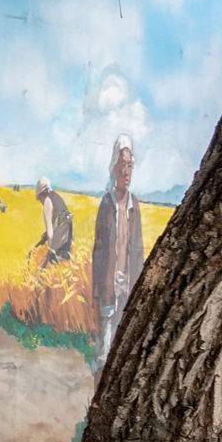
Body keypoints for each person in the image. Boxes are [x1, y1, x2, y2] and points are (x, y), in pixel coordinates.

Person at [90, 134, 144, 367]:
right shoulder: (106, 204)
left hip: (128, 283)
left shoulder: (135, 205)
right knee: (105, 350)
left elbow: (138, 249)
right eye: (122, 166)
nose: (126, 172)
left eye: (129, 166)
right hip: (108, 284)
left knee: (124, 345)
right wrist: (96, 289)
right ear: (113, 169)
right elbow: (99, 250)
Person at [34, 178, 74, 266]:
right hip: (67, 236)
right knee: (65, 264)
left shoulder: (47, 202)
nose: (40, 202)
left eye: (39, 199)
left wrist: (50, 251)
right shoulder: (57, 197)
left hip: (60, 238)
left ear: (41, 194)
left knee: (53, 265)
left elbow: (50, 230)